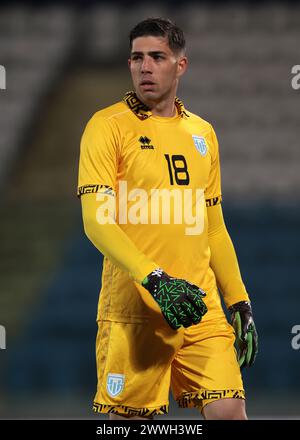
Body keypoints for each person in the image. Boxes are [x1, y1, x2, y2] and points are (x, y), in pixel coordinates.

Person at [77, 17, 258, 420]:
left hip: (199, 306)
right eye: (136, 57)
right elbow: (97, 222)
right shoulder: (106, 128)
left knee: (229, 412)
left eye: (157, 57)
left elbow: (213, 226)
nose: (145, 66)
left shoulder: (203, 134)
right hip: (137, 308)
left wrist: (239, 300)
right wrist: (155, 279)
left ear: (180, 65)